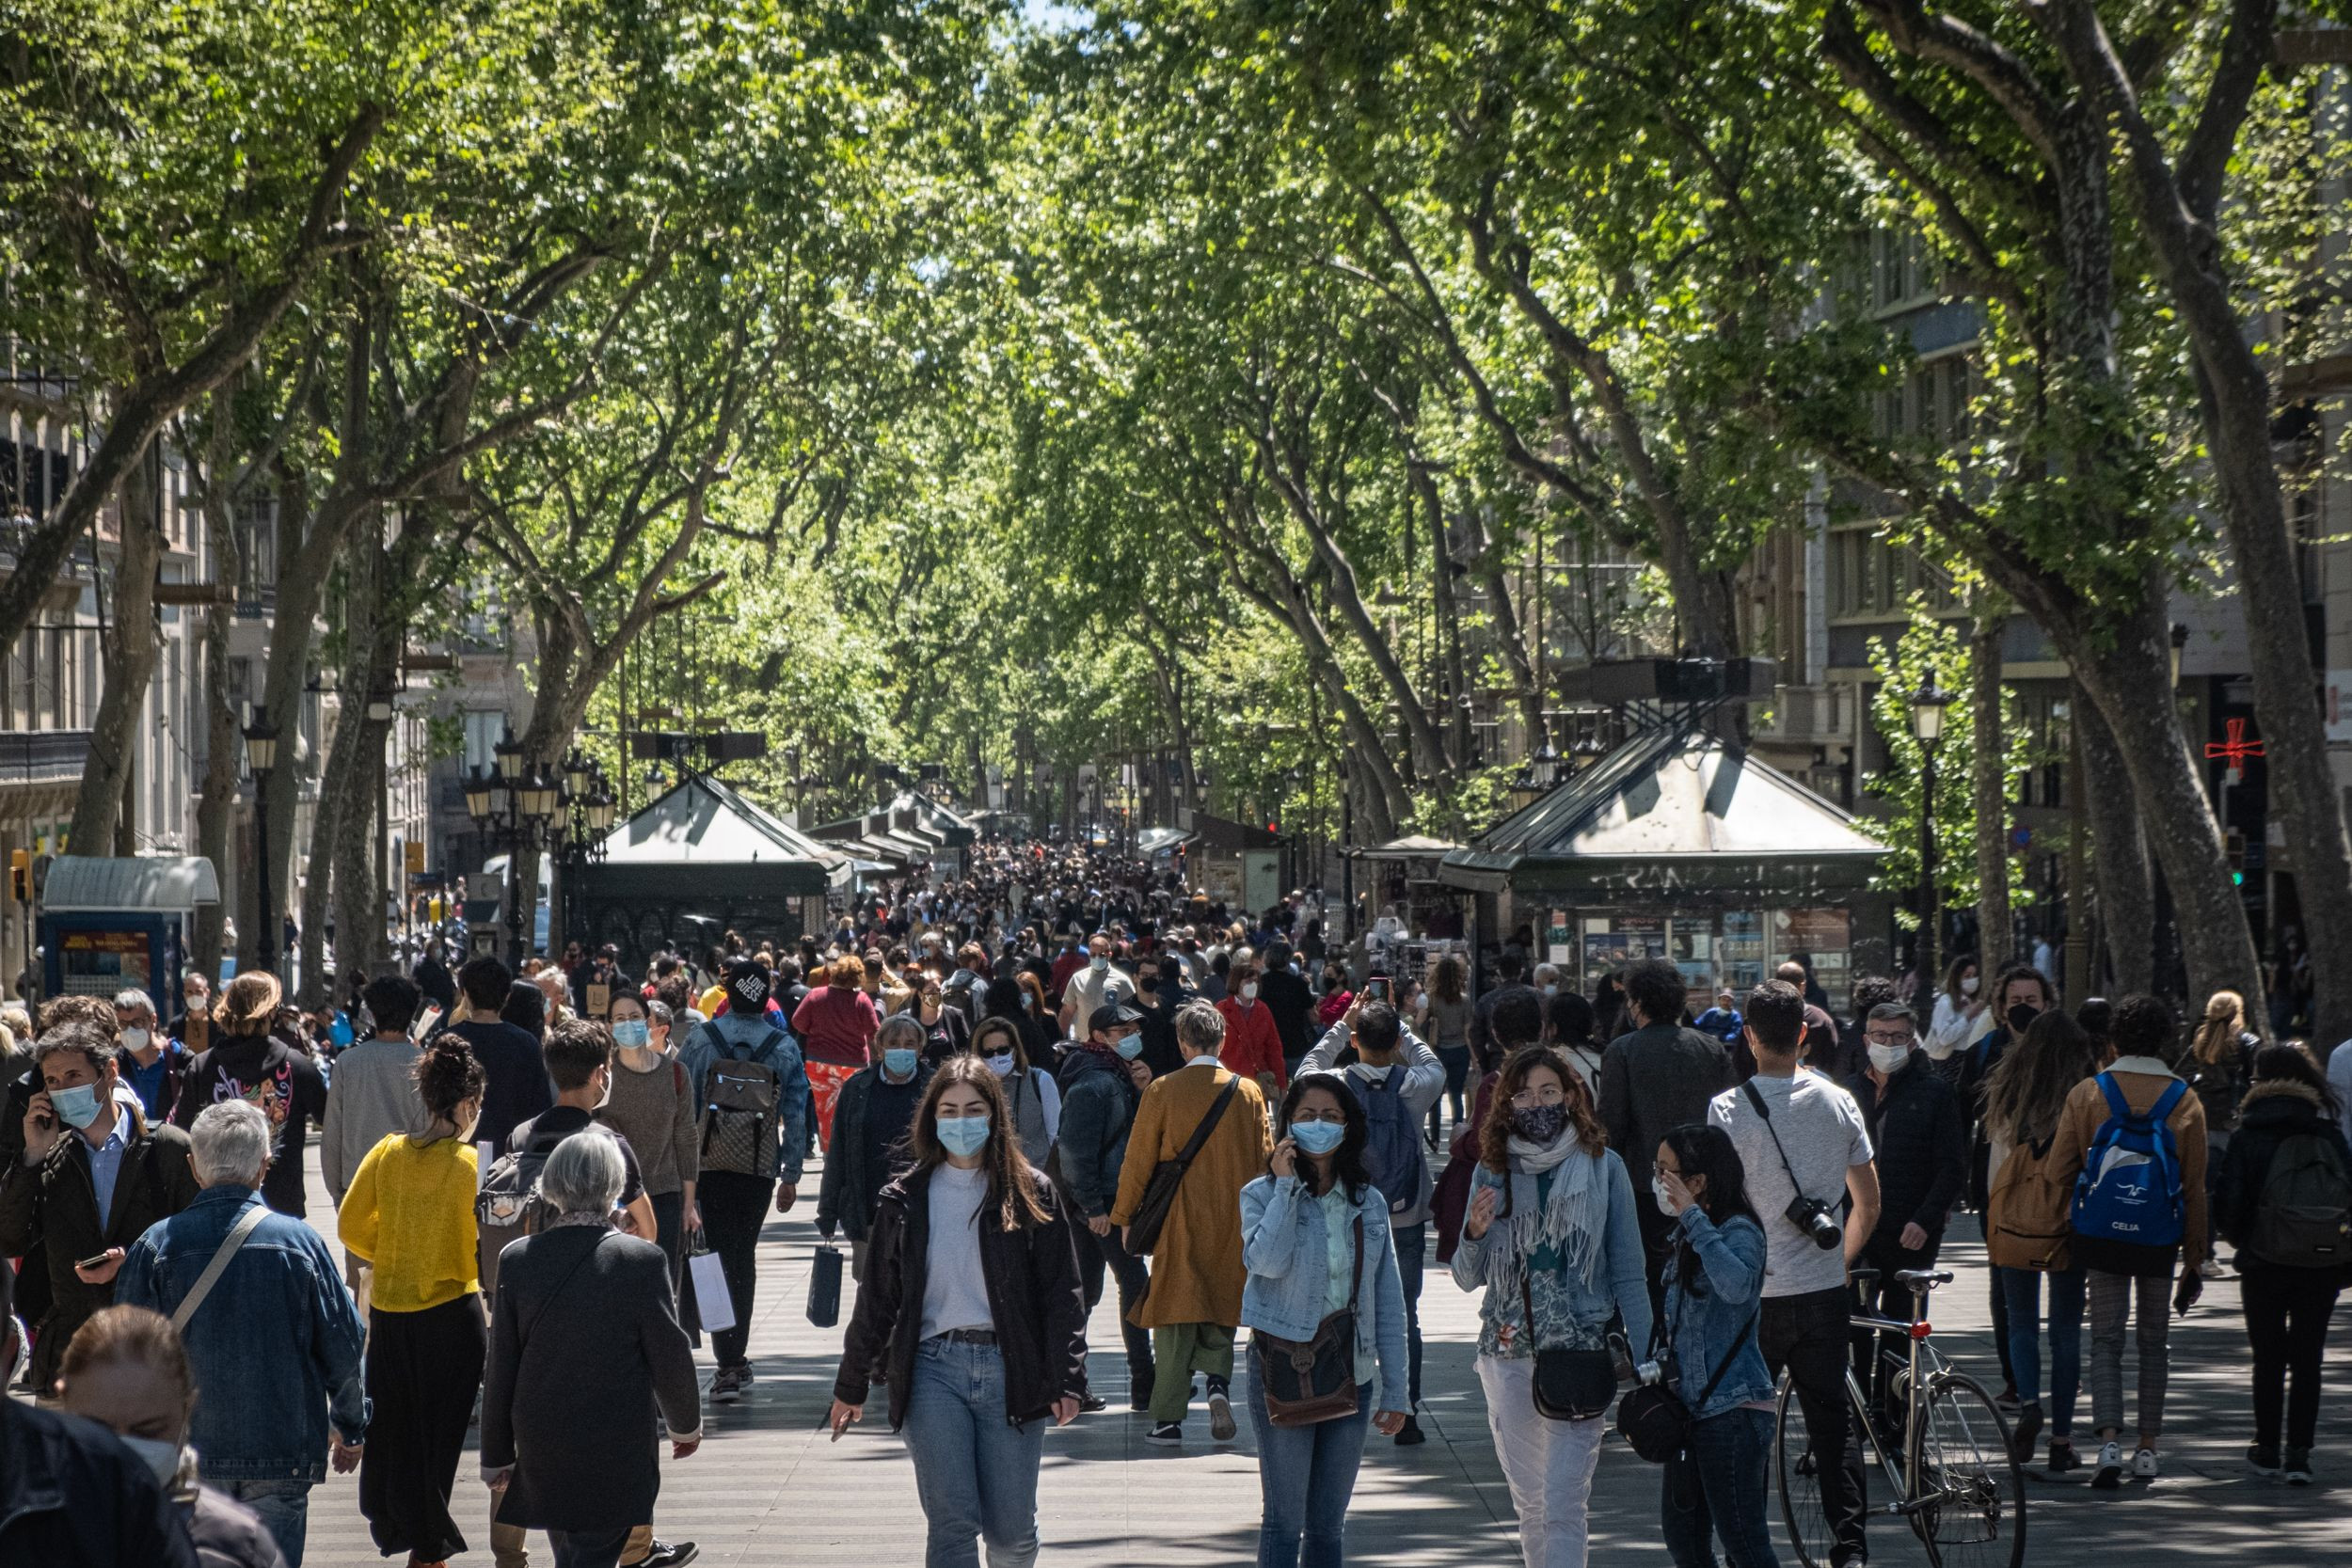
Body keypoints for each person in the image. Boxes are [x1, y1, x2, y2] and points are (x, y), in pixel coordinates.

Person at [828, 1056, 1089, 1568]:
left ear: (994, 1115)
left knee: (1012, 1535)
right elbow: (877, 1297)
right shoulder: (905, 1197)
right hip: (931, 1370)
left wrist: (1070, 1378)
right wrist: (850, 1383)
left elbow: (1064, 1293)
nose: (961, 1120)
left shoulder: (1031, 1191)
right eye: (949, 1110)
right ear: (932, 1117)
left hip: (1014, 1369)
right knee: (952, 1524)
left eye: (973, 1109)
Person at [113, 1101, 366, 1566]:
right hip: (282, 1451)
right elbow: (344, 1343)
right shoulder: (301, 1243)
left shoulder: (155, 1246)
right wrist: (350, 1425)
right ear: (265, 1166)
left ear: (193, 1166)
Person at [1451, 1044, 1652, 1568]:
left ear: (1569, 1096)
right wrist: (1473, 1232)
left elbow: (1629, 1270)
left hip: (1580, 1351)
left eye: (1547, 1091)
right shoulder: (1492, 1170)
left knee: (1565, 1501)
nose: (1536, 1103)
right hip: (1507, 1348)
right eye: (1523, 1094)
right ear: (1507, 1105)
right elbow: (1466, 1278)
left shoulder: (1604, 1169)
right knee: (1530, 1503)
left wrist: (1650, 1354)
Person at [1708, 981, 1877, 1568]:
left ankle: (1747, 1550)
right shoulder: (1839, 1101)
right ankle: (1850, 1546)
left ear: (1749, 1037)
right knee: (1834, 1426)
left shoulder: (1726, 1111)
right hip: (1824, 1291)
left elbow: (1719, 1208)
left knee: (1749, 1429)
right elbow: (1869, 1202)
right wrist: (1839, 1260)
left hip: (1758, 1297)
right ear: (1803, 1036)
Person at [480, 1132, 703, 1568]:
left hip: (542, 1443)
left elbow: (501, 1363)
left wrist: (496, 1454)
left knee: (572, 1550)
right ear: (614, 1185)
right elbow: (668, 1352)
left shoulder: (518, 1259)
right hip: (616, 1444)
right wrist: (684, 1424)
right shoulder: (641, 1260)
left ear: (552, 1185)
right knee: (592, 1553)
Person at [1239, 1074, 1411, 1567]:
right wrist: (1287, 1188)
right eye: (1308, 1115)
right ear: (1288, 1124)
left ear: (1348, 1127)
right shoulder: (1260, 1194)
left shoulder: (1367, 1202)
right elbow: (1265, 1262)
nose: (1319, 1125)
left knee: (1327, 1528)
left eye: (1331, 1117)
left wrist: (1397, 1390)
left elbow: (1388, 1302)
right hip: (1282, 1370)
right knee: (1283, 1522)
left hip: (1352, 1374)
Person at [337, 1034, 490, 1565]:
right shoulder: (472, 1166)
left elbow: (350, 1224)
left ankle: (424, 1547)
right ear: (468, 1103)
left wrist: (396, 1248)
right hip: (453, 1316)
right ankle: (430, 1552)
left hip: (393, 1317)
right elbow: (483, 1244)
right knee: (440, 1445)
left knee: (398, 1440)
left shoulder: (387, 1152)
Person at [2045, 992, 2208, 1489]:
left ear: (2113, 1040)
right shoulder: (2185, 1099)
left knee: (2106, 1340)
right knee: (2154, 1343)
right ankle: (2148, 1448)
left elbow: (2057, 1170)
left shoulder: (2089, 1093)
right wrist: (2195, 1259)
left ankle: (2109, 1441)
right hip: (2159, 1238)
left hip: (2101, 1237)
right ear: (2165, 1040)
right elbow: (2195, 1187)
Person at [0, 1021, 200, 1400]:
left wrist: (134, 1260)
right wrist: (30, 1157)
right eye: (53, 1081)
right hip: (71, 1366)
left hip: (153, 1361)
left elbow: (204, 1242)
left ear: (109, 1072)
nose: (62, 1089)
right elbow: (10, 1237)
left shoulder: (168, 1150)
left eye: (74, 1075)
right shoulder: (49, 1158)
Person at [1111, 999, 1275, 1445]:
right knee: (1221, 1307)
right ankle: (1219, 1387)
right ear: (1222, 1040)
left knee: (1174, 1314)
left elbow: (1138, 1161)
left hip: (1177, 1219)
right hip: (1234, 1217)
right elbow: (1266, 1160)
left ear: (1183, 1043)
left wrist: (1124, 1215)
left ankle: (1168, 1420)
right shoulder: (1248, 1092)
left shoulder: (1162, 1090)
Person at [1298, 999, 1444, 1446]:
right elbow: (1432, 1062)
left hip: (1352, 1211)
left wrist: (1341, 1028)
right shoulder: (1416, 1084)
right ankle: (1407, 1409)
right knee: (1405, 1314)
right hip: (1406, 1214)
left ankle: (1339, 1398)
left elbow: (1307, 1069)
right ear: (1398, 1042)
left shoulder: (1338, 1085)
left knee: (1343, 1305)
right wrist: (1403, 1026)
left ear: (1357, 1041)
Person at [0, 1258, 201, 1568]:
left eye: (147, 1428)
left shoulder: (117, 1483)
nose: (127, 1438)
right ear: (12, 1350)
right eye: (100, 1424)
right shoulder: (116, 1482)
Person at [2215, 1043, 2351, 1485]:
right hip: (2321, 1262)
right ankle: (2300, 1454)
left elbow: (2228, 1206)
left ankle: (2267, 1446)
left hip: (2263, 1262)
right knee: (2308, 1357)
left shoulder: (2248, 1134)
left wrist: (2248, 1240)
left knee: (2268, 1356)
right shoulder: (2327, 1134)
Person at [56, 1307, 280, 1568]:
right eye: (99, 1429)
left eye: (148, 1430)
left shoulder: (234, 1547)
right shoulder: (24, 1530)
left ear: (187, 1409)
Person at [680, 958, 810, 1402]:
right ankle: (735, 1358)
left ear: (727, 991)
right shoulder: (784, 1046)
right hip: (757, 1168)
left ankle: (726, 1359)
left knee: (715, 1255)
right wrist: (791, 1173)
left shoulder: (700, 1040)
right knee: (743, 1257)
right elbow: (796, 1113)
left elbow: (683, 1109)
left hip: (706, 1166)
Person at [1651, 1123, 1777, 1568]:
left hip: (1733, 1412)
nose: (1658, 1179)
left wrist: (1694, 1220)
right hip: (1692, 1410)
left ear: (1699, 1182)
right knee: (1684, 1539)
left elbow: (1737, 1286)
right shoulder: (1687, 1232)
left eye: (1667, 1171)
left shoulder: (1737, 1230)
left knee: (1744, 1542)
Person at [1981, 1008, 2101, 1473]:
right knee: (2066, 1328)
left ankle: (2029, 1400)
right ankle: (2063, 1439)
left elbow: (1997, 1157)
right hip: (2066, 1220)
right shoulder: (2087, 1094)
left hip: (2016, 1218)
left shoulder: (2010, 1089)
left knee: (2022, 1322)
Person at [1840, 1001, 1965, 1422]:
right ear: (1866, 1039)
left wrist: (1925, 1219)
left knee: (1900, 1335)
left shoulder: (1934, 1092)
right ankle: (1855, 1420)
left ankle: (1894, 1424)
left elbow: (1952, 1166)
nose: (1888, 1044)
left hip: (1909, 1234)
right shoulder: (1846, 1093)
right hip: (1856, 1231)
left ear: (1912, 1042)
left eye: (1897, 1037)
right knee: (1853, 1327)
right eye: (1880, 1036)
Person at [1597, 959, 1736, 1313]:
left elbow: (1612, 1126)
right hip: (1706, 1188)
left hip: (1644, 1188)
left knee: (1652, 1285)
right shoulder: (1711, 1047)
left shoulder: (1623, 1050)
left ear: (1637, 1003)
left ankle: (1659, 1357)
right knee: (1705, 1278)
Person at [1051, 1001, 1155, 1409]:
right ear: (1099, 1037)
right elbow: (1075, 1151)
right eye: (1122, 1032)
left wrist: (1146, 1090)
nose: (1132, 1039)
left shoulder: (1117, 1074)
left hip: (1101, 1200)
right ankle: (1142, 1381)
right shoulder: (1094, 1082)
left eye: (1134, 1031)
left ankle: (1069, 1380)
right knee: (1132, 1282)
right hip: (1102, 1203)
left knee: (1086, 1291)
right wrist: (1093, 1208)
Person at [170, 972, 327, 1219]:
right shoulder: (296, 1067)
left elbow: (180, 1135)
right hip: (282, 1209)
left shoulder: (202, 1067)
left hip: (213, 1209)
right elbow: (330, 1120)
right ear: (271, 1012)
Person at [321, 974, 428, 1317]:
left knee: (365, 1295)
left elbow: (332, 1135)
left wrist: (338, 1195)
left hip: (361, 1194)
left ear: (371, 1013)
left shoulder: (348, 1064)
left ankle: (369, 1367)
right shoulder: (424, 1063)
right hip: (415, 1193)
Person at [508, 1020, 658, 1245]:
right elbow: (647, 1233)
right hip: (590, 1273)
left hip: (530, 1270)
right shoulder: (609, 1144)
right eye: (608, 1067)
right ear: (599, 1074)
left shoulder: (520, 1136)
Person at [818, 1014, 932, 1281]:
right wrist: (827, 1212)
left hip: (922, 1212)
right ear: (879, 1048)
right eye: (893, 1043)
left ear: (920, 1049)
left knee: (917, 1292)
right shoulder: (856, 1088)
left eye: (909, 1043)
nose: (901, 1049)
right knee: (872, 1298)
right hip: (868, 1210)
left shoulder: (935, 1086)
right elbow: (837, 1153)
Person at [600, 990, 699, 1290]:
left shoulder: (676, 1073)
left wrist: (689, 1203)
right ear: (609, 1026)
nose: (627, 1024)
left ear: (649, 1022)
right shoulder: (603, 1076)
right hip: (616, 1202)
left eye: (634, 1017)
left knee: (664, 1288)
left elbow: (686, 1137)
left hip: (666, 1197)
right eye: (619, 1018)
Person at [2183, 989, 2260, 1281]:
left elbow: (2181, 1077)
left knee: (2206, 1194)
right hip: (2237, 1127)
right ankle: (2249, 1250)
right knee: (2246, 1191)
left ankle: (2204, 1256)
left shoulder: (2198, 1043)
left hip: (2202, 1125)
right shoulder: (2248, 1044)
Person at [445, 957, 555, 1155]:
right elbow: (540, 1110)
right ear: (506, 996)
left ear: (465, 994)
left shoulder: (446, 1041)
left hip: (454, 1156)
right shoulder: (526, 1044)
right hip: (510, 1158)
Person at [788, 954, 881, 1146]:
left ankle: (829, 1155)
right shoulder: (862, 1000)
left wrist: (814, 1030)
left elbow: (797, 1022)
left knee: (825, 1112)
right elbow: (874, 1032)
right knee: (852, 1110)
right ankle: (850, 1148)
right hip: (854, 1065)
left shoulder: (815, 995)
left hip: (819, 1063)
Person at [971, 1014, 1060, 1168]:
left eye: (1003, 1050)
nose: (996, 1056)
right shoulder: (973, 1088)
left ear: (1014, 1050)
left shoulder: (1039, 1080)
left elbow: (1055, 1134)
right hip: (989, 1175)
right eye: (988, 1052)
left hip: (1036, 1173)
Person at [1216, 955, 1289, 1098]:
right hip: (1228, 1081)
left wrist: (1282, 1084)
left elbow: (1274, 1049)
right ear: (1237, 982)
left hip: (1256, 1082)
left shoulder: (1263, 1010)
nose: (1253, 984)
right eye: (1248, 980)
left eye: (1255, 981)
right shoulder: (1221, 1009)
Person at [113, 989, 187, 1125]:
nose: (130, 1030)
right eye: (123, 1024)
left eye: (137, 1022)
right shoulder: (114, 1066)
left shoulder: (181, 1060)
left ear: (153, 1020)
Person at [1422, 954, 1474, 1146]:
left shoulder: (1432, 999)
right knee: (1456, 1096)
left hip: (1438, 1050)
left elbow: (1422, 1023)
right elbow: (1468, 1032)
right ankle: (1457, 1137)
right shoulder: (1465, 1001)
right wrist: (1475, 1058)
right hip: (1460, 1051)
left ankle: (1435, 1138)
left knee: (1436, 1096)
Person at [1921, 955, 1990, 1080]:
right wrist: (1968, 1017)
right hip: (1952, 1061)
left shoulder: (1972, 1002)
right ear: (1957, 978)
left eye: (1974, 976)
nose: (1972, 980)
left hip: (1971, 1059)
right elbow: (1944, 1037)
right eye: (1967, 976)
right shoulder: (1946, 1002)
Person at [1057, 931, 1133, 1039]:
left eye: (1101, 955)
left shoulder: (1122, 981)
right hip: (1084, 1045)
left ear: (1109, 955)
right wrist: (1060, 1038)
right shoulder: (1078, 978)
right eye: (1093, 955)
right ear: (1089, 955)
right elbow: (1067, 1012)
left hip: (1113, 1047)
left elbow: (1132, 1014)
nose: (1097, 958)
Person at [1258, 940, 1317, 1077]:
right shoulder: (1299, 984)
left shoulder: (1259, 983)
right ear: (1287, 959)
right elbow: (1314, 1019)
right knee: (1299, 1087)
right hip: (1295, 1044)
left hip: (1268, 1045)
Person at [1471, 951, 1539, 1063]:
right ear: (1521, 972)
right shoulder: (1538, 996)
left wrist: (1484, 1063)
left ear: (1499, 972)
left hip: (1498, 1059)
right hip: (1533, 1058)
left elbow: (1476, 1035)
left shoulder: (1485, 1000)